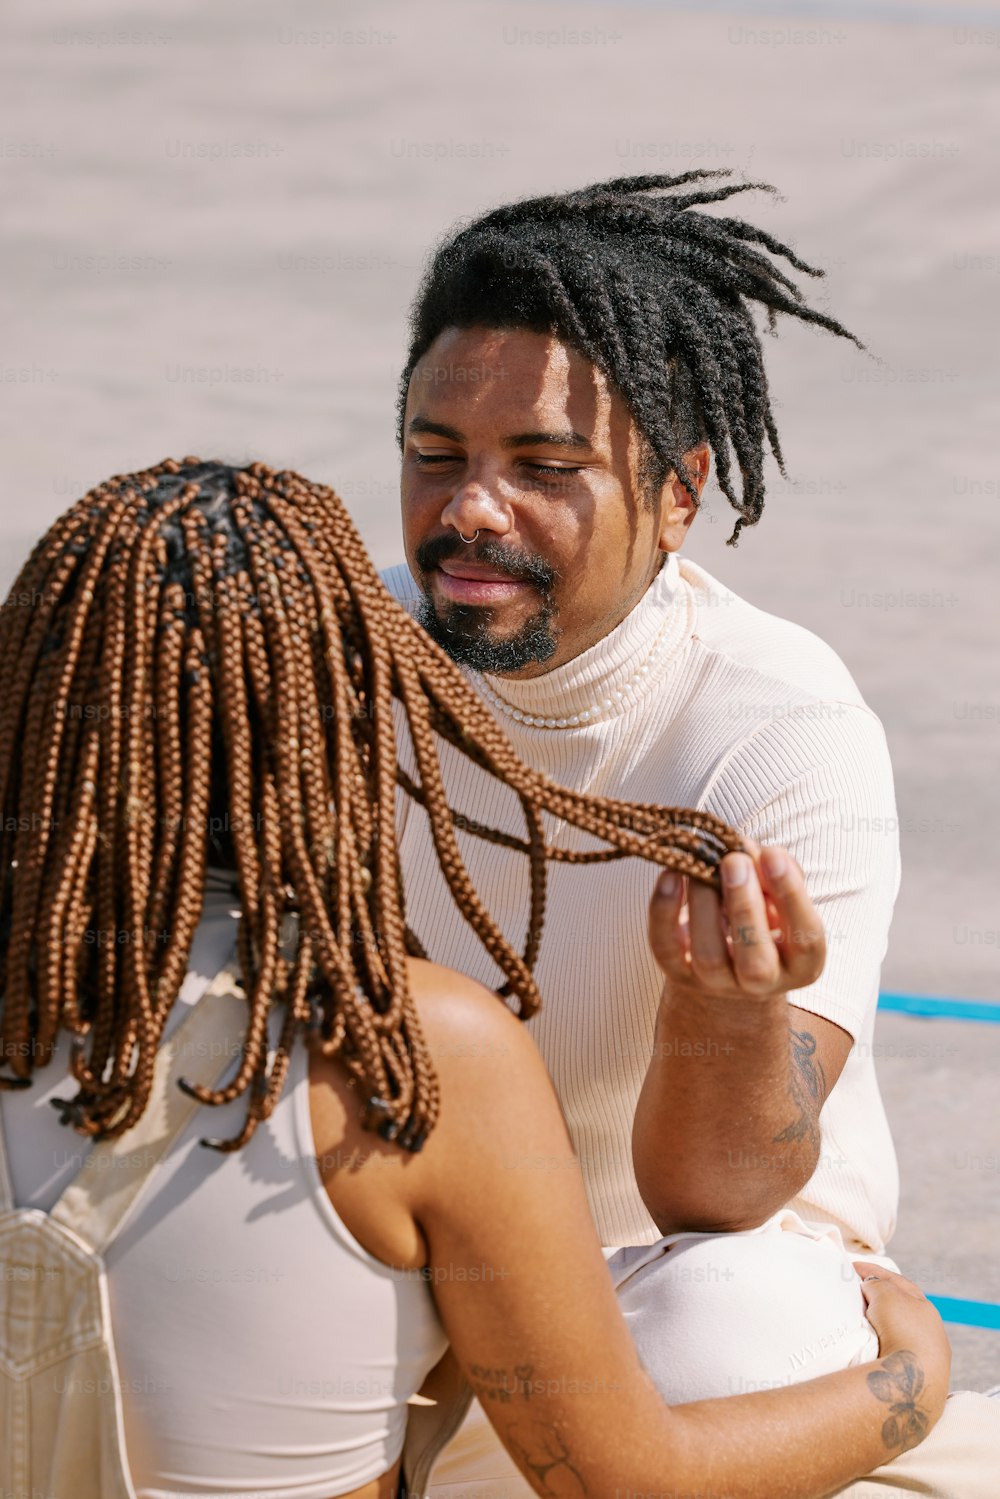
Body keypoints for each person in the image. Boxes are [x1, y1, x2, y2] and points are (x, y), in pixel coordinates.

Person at [0, 458, 949, 1499]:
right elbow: (625, 1478)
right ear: (344, 717)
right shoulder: (416, 1048)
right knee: (741, 1326)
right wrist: (908, 1378)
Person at [383, 171, 1000, 1490]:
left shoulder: (778, 729)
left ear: (678, 493)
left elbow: (713, 1198)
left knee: (740, 1326)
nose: (473, 508)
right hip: (399, 1254)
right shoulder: (330, 655)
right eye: (437, 456)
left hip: (654, 1294)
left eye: (545, 467)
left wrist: (724, 1014)